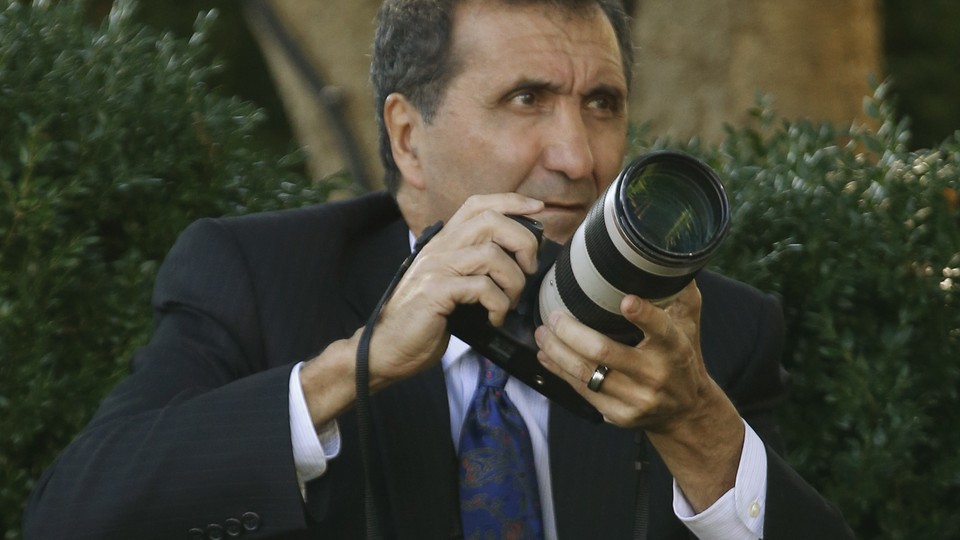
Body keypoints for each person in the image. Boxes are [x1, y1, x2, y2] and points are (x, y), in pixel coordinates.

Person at [23, 0, 855, 538]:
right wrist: (356, 366)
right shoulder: (259, 277)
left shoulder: (698, 332)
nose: (577, 156)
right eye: (526, 99)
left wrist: (696, 425)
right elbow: (71, 518)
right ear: (407, 138)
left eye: (602, 104)